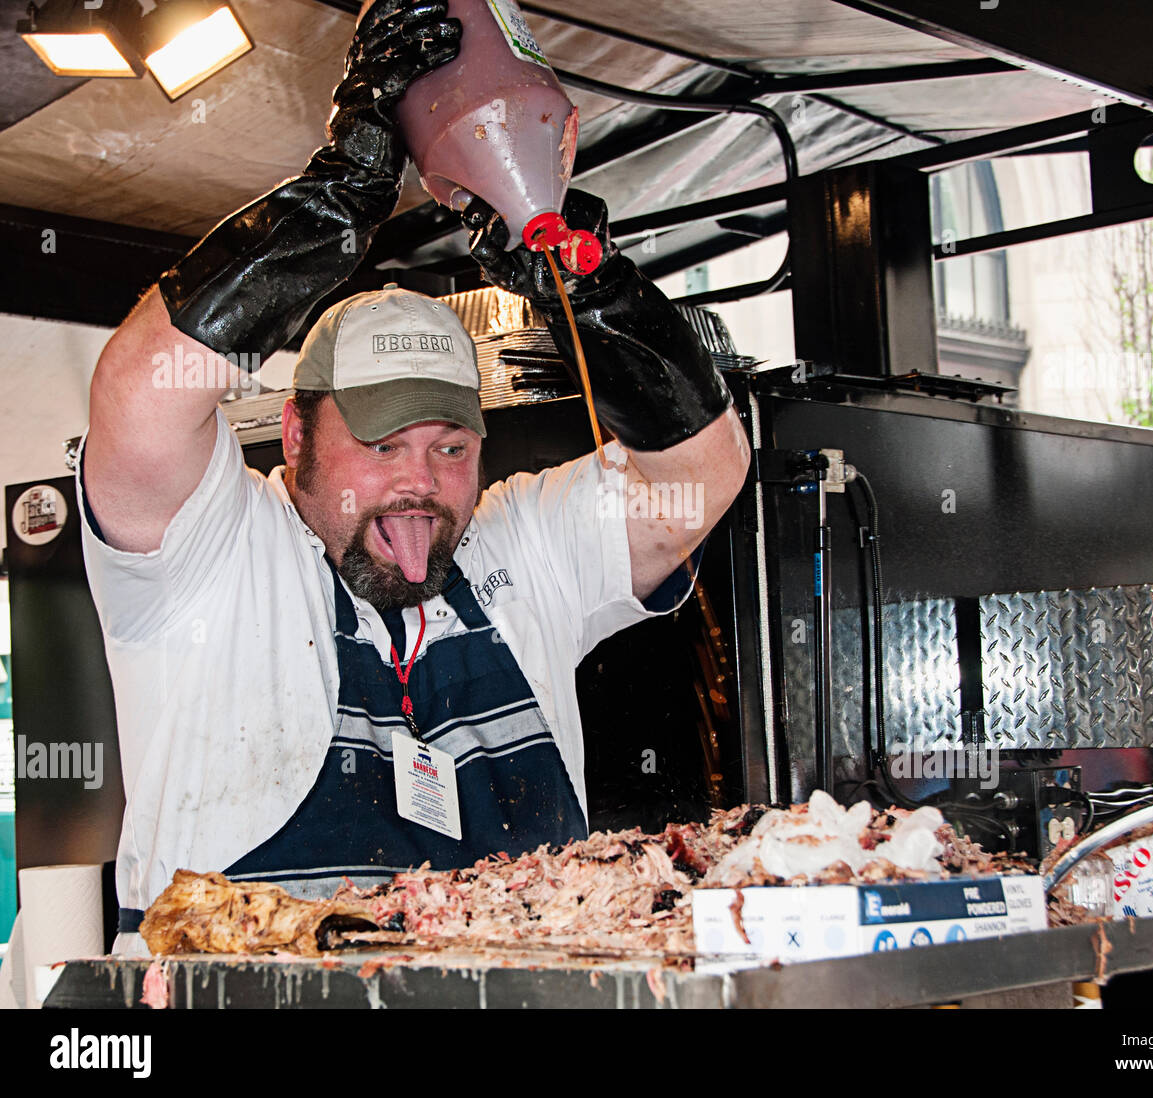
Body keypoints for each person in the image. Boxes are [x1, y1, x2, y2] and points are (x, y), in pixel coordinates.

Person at [78, 0, 749, 952]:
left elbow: (702, 477)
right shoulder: (214, 554)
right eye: (383, 445)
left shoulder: (520, 551)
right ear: (299, 436)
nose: (421, 484)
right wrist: (339, 195)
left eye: (449, 446)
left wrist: (587, 283)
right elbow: (143, 391)